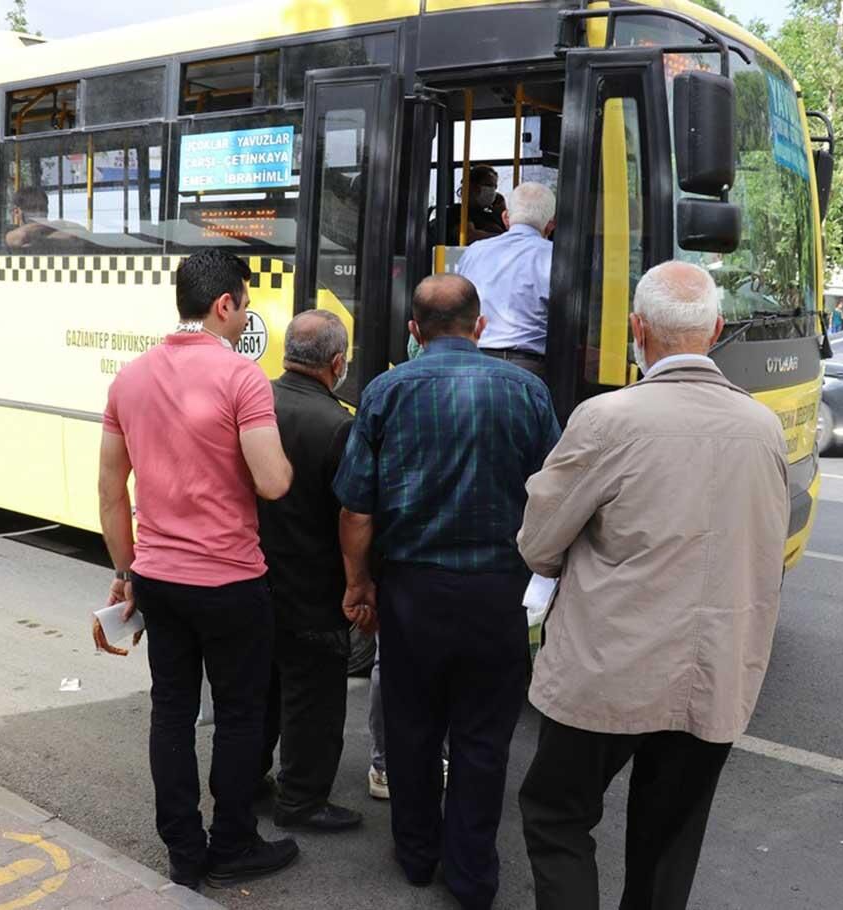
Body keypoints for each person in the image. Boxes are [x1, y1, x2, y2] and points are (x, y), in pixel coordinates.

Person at [517, 261, 790, 910]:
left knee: (556, 816)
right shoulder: (763, 427)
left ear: (637, 330)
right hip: (713, 669)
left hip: (609, 665)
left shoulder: (607, 418)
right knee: (668, 845)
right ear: (716, 331)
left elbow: (538, 542)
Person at [333, 274, 561, 910]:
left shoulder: (385, 391)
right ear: (479, 326)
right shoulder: (527, 390)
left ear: (414, 330)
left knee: (411, 728)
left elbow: (356, 509)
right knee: (483, 738)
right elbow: (554, 492)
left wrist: (358, 584)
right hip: (499, 592)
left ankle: (415, 854)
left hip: (412, 591)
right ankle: (472, 874)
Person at [98, 249, 299, 891]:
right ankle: (233, 842)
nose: (246, 318)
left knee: (171, 712)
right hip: (230, 580)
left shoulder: (130, 379)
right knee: (239, 714)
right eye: (245, 306)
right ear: (224, 304)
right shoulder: (243, 377)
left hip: (158, 580)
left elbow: (110, 490)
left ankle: (184, 852)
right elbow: (273, 482)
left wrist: (125, 571)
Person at [256, 310, 363, 833]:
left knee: (259, 689)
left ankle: (247, 779)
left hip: (251, 576)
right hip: (313, 586)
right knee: (313, 699)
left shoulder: (255, 404)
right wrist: (360, 584)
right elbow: (352, 515)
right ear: (337, 363)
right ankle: (301, 799)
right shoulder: (339, 425)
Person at [454, 182, 556, 378]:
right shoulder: (555, 256)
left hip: (475, 364)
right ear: (551, 224)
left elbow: (460, 304)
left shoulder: (474, 252)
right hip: (530, 368)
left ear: (506, 218)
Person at [440, 165, 507, 245]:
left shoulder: (492, 215)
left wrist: (503, 212)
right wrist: (504, 238)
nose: (493, 190)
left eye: (495, 187)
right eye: (489, 185)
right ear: (473, 187)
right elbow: (468, 236)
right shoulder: (458, 211)